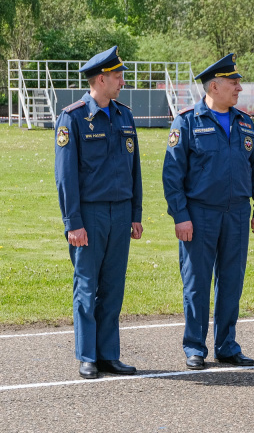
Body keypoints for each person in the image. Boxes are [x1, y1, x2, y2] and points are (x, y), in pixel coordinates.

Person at [162, 53, 254, 371]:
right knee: (197, 283)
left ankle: (227, 345)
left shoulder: (244, 122)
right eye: (233, 82)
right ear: (214, 86)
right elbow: (172, 176)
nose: (239, 87)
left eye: (238, 81)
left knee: (232, 282)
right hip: (200, 215)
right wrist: (180, 215)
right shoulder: (187, 122)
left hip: (236, 214)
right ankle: (195, 346)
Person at [54, 45, 142, 379]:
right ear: (101, 79)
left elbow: (134, 170)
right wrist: (73, 222)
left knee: (113, 286)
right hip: (88, 216)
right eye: (118, 76)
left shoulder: (124, 115)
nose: (122, 80)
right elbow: (66, 176)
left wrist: (136, 213)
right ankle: (87, 355)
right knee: (87, 286)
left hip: (120, 213)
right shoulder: (73, 117)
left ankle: (108, 354)